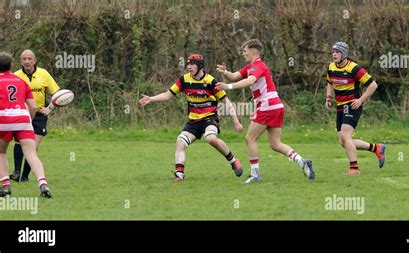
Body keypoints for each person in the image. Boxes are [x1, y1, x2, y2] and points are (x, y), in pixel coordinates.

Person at [215, 39, 315, 183]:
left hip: (267, 107)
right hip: (275, 106)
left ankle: (255, 175)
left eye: (245, 51)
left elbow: (249, 81)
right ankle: (302, 162)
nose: (243, 54)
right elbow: (235, 76)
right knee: (276, 144)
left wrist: (228, 87)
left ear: (254, 51)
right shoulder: (251, 67)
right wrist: (225, 72)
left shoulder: (258, 65)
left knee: (250, 138)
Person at [139, 54, 244, 181]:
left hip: (209, 118)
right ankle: (179, 174)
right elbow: (167, 95)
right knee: (180, 142)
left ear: (199, 66)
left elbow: (226, 101)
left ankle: (233, 160)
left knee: (211, 139)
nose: (189, 67)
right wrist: (151, 99)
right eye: (188, 64)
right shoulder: (184, 80)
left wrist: (236, 121)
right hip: (193, 121)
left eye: (192, 64)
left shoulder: (210, 81)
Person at [325, 42, 386, 174]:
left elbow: (373, 85)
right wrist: (328, 98)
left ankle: (354, 168)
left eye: (337, 52)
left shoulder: (354, 68)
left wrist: (360, 100)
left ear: (344, 54)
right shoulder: (331, 67)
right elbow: (330, 83)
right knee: (343, 142)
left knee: (346, 137)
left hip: (351, 105)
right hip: (340, 107)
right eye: (333, 52)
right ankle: (376, 148)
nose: (334, 54)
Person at [0, 51, 52, 198]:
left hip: (3, 120)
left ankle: (6, 187)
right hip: (23, 119)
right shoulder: (21, 81)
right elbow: (32, 106)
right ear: (11, 65)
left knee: (1, 153)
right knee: (31, 154)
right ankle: (43, 184)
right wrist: (28, 120)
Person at [10, 50, 60, 182]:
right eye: (24, 59)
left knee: (34, 146)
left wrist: (49, 109)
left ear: (35, 60)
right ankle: (16, 173)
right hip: (22, 114)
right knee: (20, 143)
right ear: (21, 61)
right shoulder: (15, 76)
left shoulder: (43, 74)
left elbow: (58, 94)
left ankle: (25, 176)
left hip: (39, 115)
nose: (27, 61)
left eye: (29, 58)